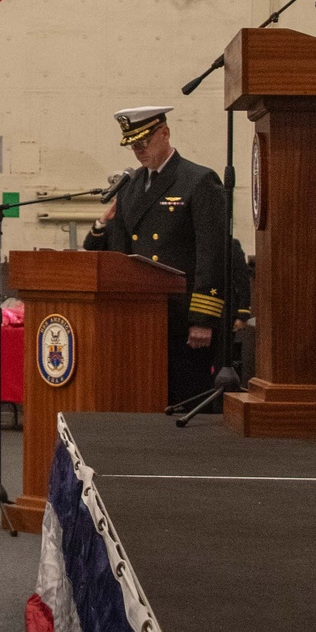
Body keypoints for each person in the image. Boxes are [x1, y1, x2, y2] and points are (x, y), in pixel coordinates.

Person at [83, 105, 226, 411]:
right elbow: (117, 251)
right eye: (133, 145)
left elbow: (211, 254)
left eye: (144, 143)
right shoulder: (130, 185)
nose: (138, 151)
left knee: (184, 400)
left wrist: (202, 319)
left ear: (165, 133)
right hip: (139, 316)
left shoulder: (199, 180)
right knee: (143, 401)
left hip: (181, 317)